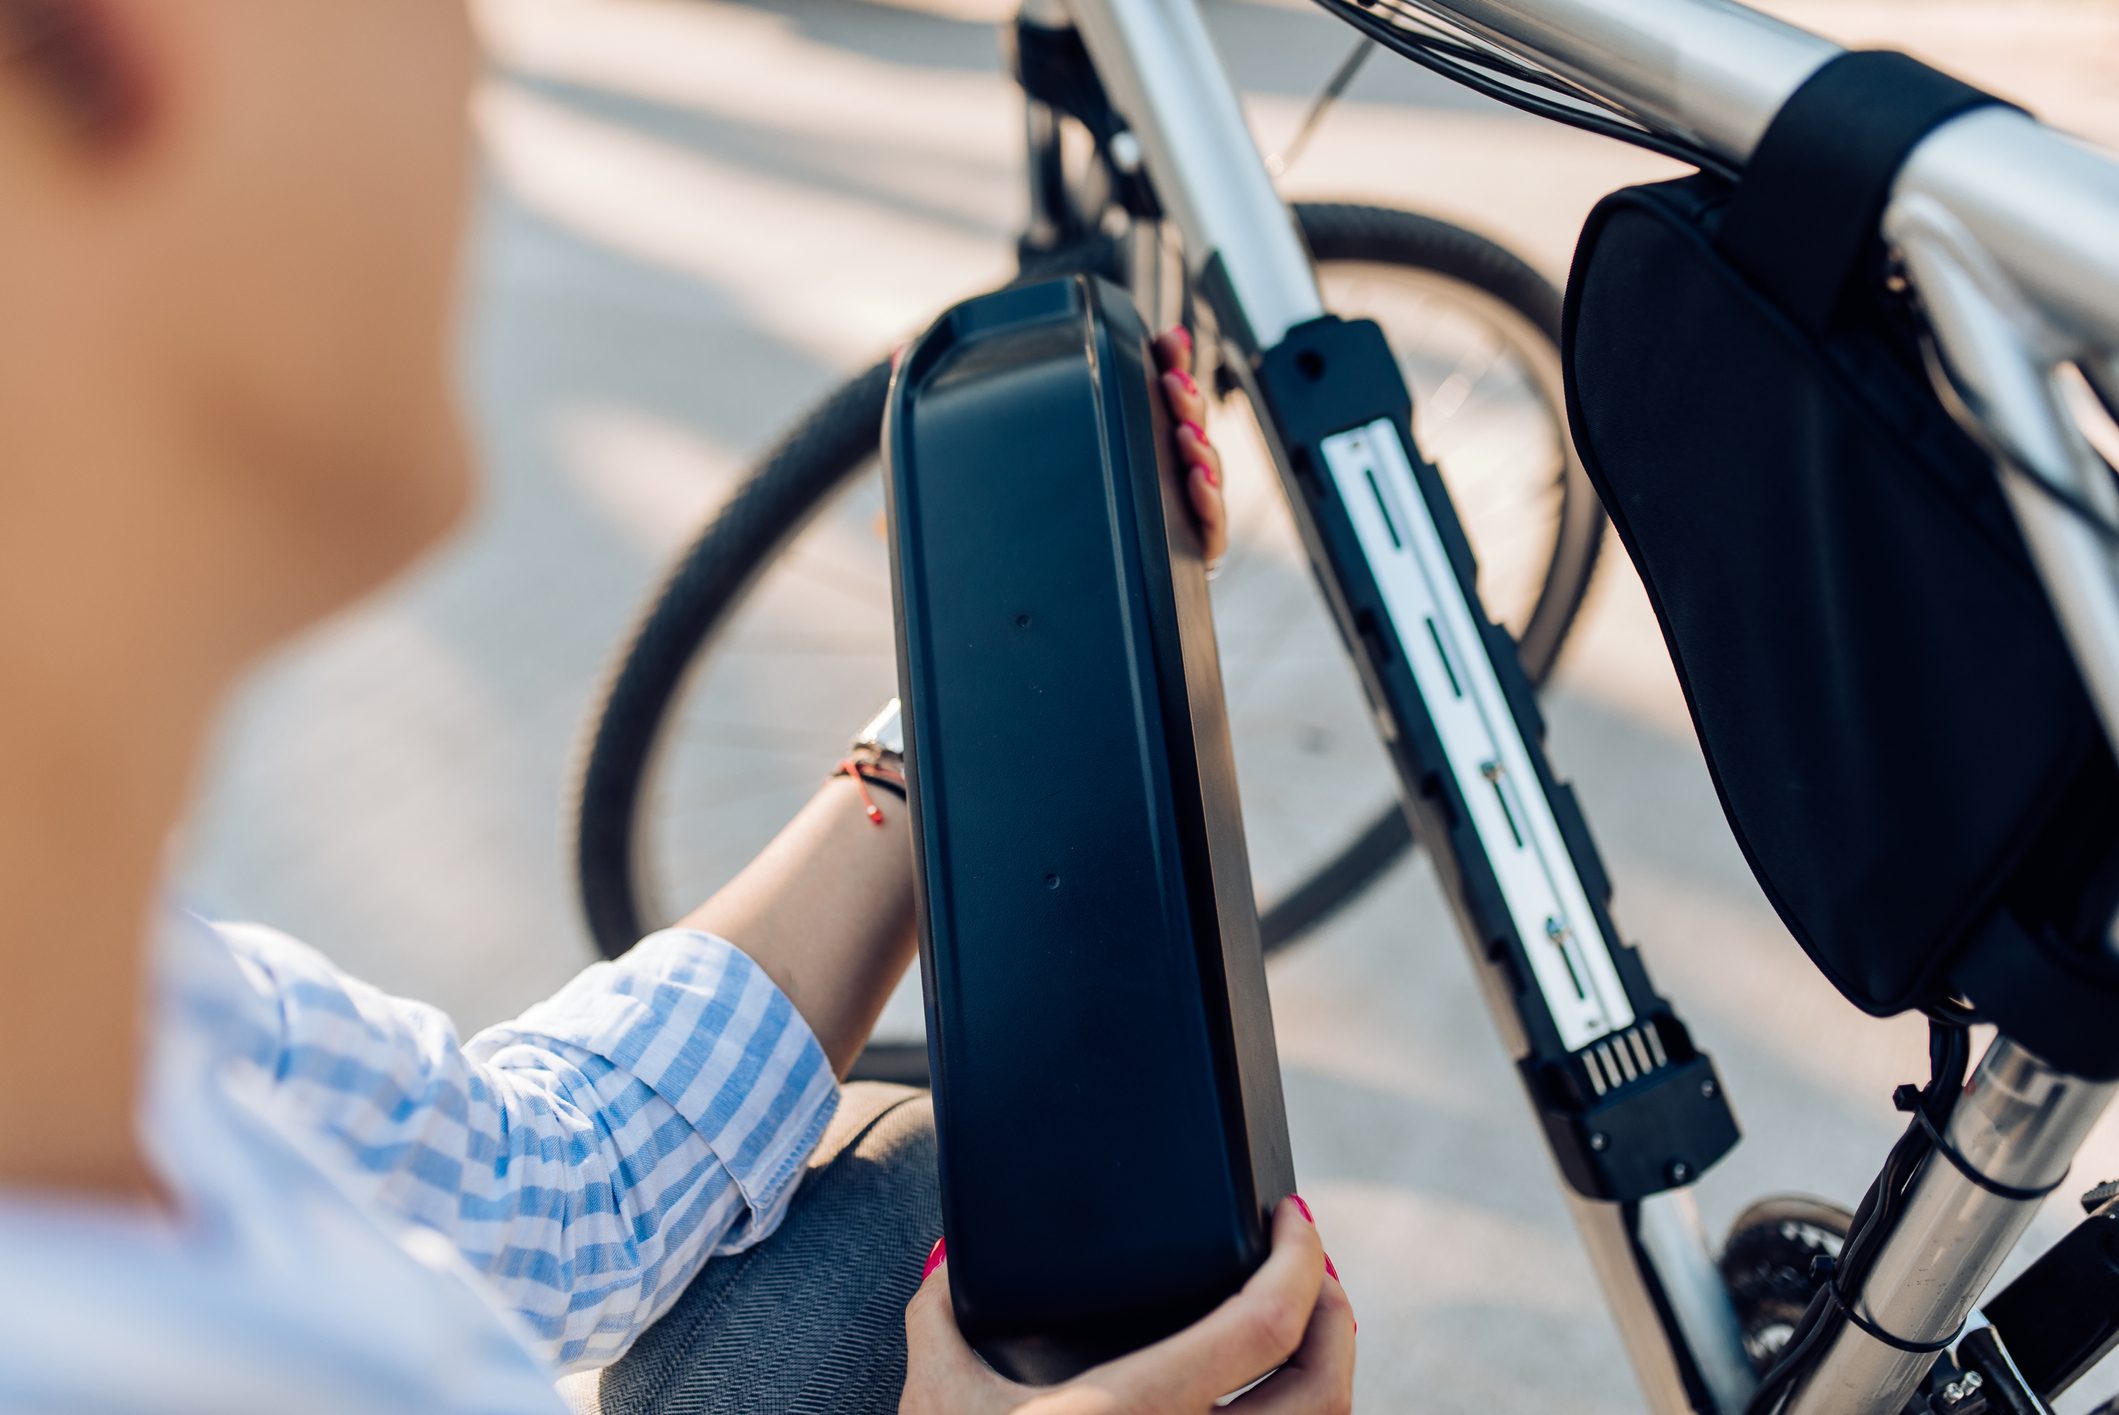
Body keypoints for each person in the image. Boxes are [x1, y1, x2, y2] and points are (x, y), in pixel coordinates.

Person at [0, 2, 1354, 1412]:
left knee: (870, 1238)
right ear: (125, 38)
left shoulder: (147, 1003)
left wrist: (988, 700)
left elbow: (551, 1198)